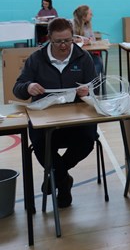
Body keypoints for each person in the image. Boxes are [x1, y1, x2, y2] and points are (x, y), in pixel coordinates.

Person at [13, 18, 98, 208]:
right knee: (41, 144)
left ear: (73, 38)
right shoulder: (36, 59)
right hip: (45, 121)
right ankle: (63, 181)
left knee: (87, 140)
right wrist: (29, 87)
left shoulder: (83, 58)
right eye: (58, 41)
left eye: (67, 40)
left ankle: (55, 176)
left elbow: (96, 89)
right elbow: (17, 88)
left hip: (77, 120)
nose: (63, 46)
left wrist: (88, 90)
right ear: (48, 39)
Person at [72, 5, 103, 76]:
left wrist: (90, 41)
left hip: (87, 54)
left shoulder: (88, 25)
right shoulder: (71, 24)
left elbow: (93, 39)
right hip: (74, 55)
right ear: (83, 16)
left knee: (98, 61)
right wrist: (76, 40)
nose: (92, 16)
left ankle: (92, 82)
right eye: (90, 14)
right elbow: (66, 39)